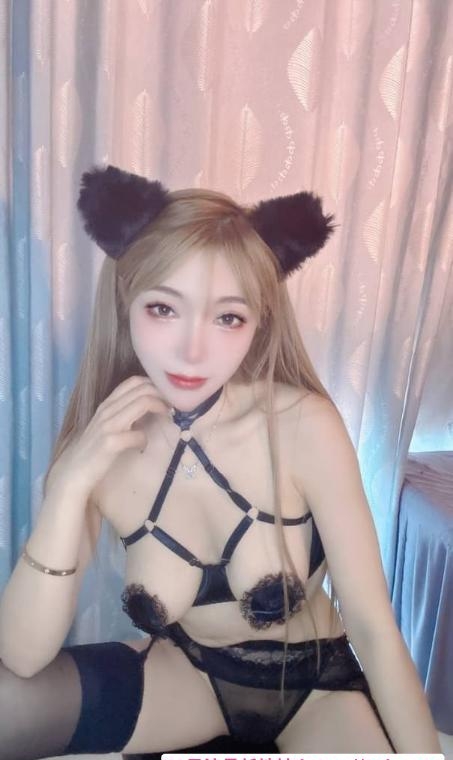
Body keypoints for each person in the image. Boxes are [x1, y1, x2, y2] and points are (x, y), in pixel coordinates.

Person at [0, 165, 441, 759]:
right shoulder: (105, 448)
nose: (193, 350)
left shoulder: (302, 425)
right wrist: (69, 484)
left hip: (315, 691)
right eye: (164, 309)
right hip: (187, 681)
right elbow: (22, 657)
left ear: (259, 323)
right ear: (127, 301)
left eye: (228, 317)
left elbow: (372, 625)